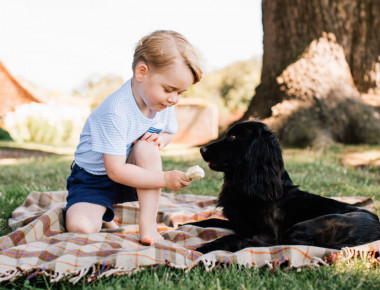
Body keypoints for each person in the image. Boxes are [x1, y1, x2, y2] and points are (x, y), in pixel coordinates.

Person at [65, 30, 203, 245]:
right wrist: (165, 179)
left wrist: (160, 141)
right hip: (94, 178)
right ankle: (99, 210)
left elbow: (168, 132)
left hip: (133, 173)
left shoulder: (161, 103)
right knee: (81, 228)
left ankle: (147, 226)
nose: (174, 99)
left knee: (147, 148)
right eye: (169, 89)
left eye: (181, 93)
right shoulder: (116, 111)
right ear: (142, 72)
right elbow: (115, 170)